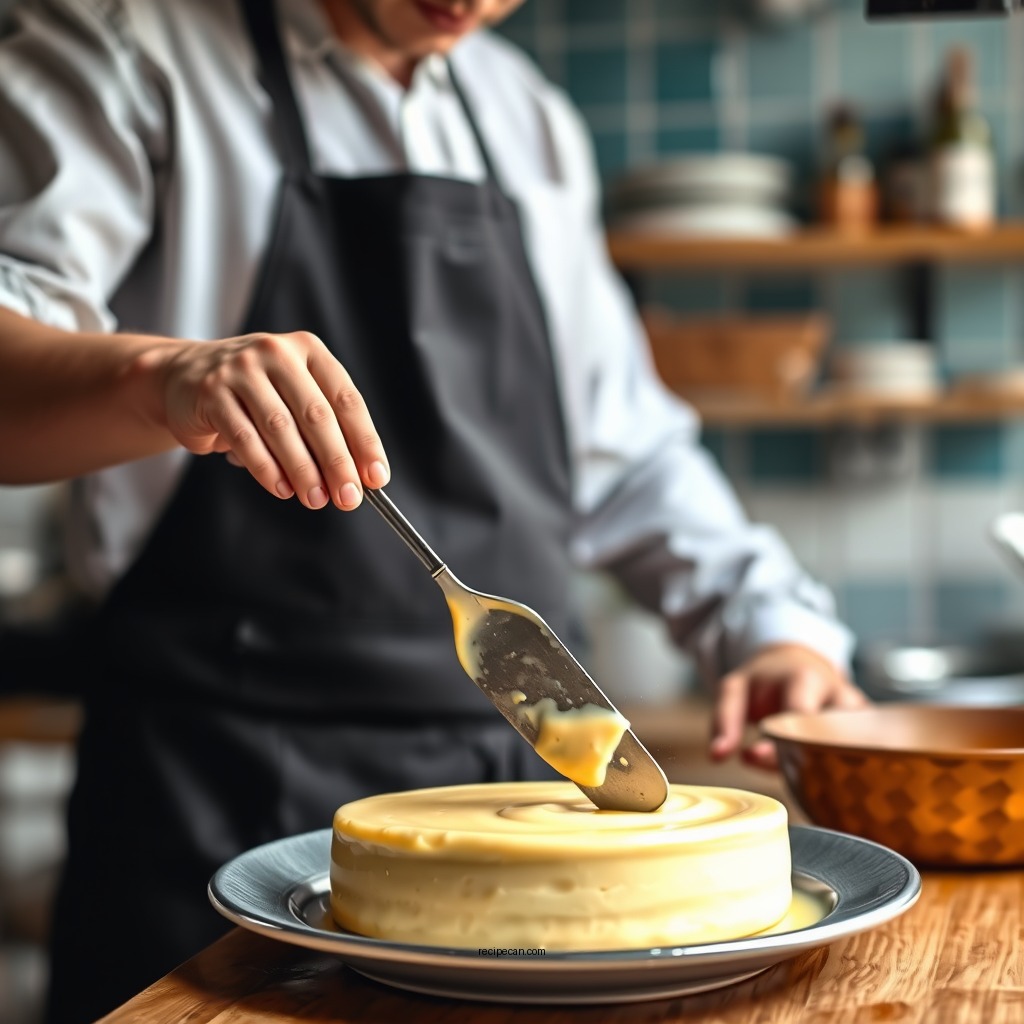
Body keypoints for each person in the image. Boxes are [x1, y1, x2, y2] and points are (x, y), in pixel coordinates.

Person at [0, 0, 867, 1019]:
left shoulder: (527, 116)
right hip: (210, 796)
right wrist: (163, 377)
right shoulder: (124, 44)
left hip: (520, 784)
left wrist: (764, 626)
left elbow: (625, 453)